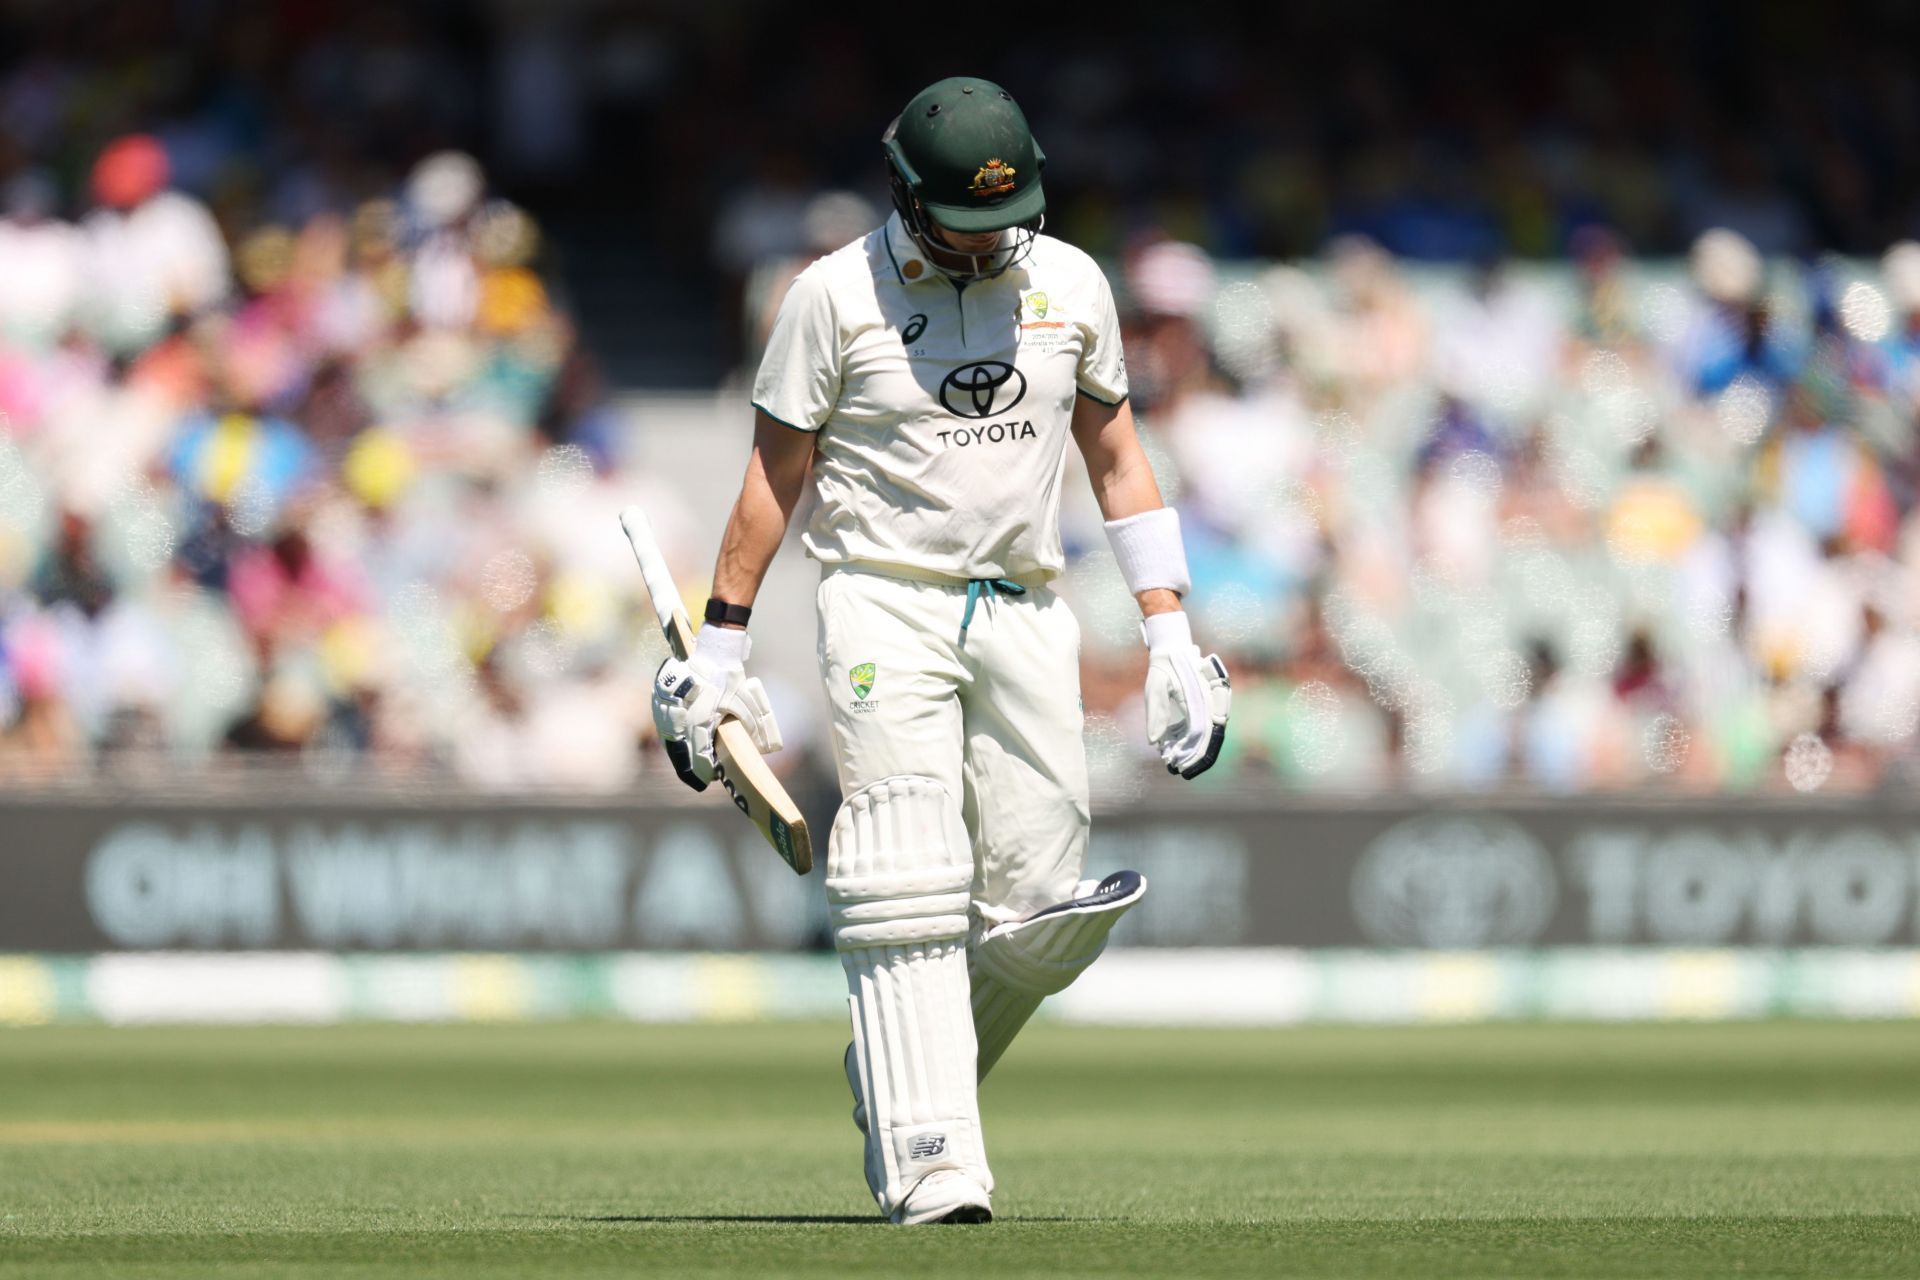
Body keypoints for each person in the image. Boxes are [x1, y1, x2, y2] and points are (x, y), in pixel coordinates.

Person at [649, 77, 1232, 1224]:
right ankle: (930, 1156)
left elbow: (1116, 456)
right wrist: (721, 647)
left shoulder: (1069, 281)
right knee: (904, 864)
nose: (986, 251)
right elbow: (776, 475)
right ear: (905, 198)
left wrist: (1171, 631)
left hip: (1025, 604)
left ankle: (898, 1064)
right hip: (884, 598)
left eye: (1002, 226)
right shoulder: (830, 296)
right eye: (961, 229)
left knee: (1042, 908)